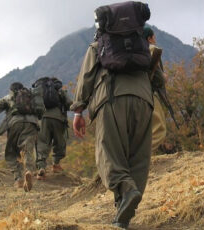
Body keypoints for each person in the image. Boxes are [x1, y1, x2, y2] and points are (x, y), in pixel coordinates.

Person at [71, 3, 155, 227]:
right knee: (138, 157)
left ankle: (126, 191)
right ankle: (124, 213)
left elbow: (86, 78)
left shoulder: (98, 44)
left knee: (108, 154)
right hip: (144, 101)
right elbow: (158, 76)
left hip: (111, 99)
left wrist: (78, 111)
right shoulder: (143, 44)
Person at [0, 82, 38, 192]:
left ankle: (19, 179)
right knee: (27, 149)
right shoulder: (31, 97)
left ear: (11, 90)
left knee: (11, 153)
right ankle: (29, 171)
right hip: (31, 124)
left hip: (15, 124)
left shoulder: (8, 97)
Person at [34, 77, 73, 180]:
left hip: (43, 118)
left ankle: (41, 168)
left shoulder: (41, 89)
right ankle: (56, 164)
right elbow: (69, 103)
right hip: (58, 118)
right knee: (59, 141)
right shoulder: (59, 88)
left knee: (42, 142)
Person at [143, 26, 167, 153]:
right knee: (159, 129)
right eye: (154, 37)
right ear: (149, 38)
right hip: (146, 93)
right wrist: (163, 77)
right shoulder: (151, 50)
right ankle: (141, 159)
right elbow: (159, 80)